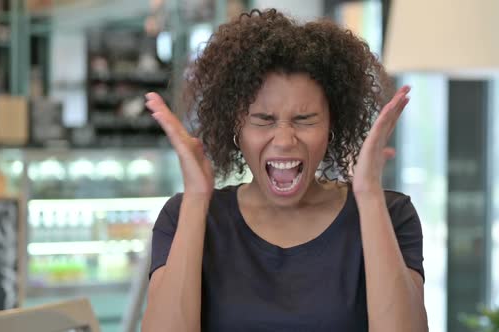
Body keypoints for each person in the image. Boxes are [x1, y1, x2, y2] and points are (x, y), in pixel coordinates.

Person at [141, 8, 427, 332]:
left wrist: (369, 195)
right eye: (263, 120)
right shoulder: (185, 216)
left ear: (332, 124)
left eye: (305, 120)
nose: (284, 140)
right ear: (236, 127)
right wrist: (195, 198)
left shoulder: (390, 214)